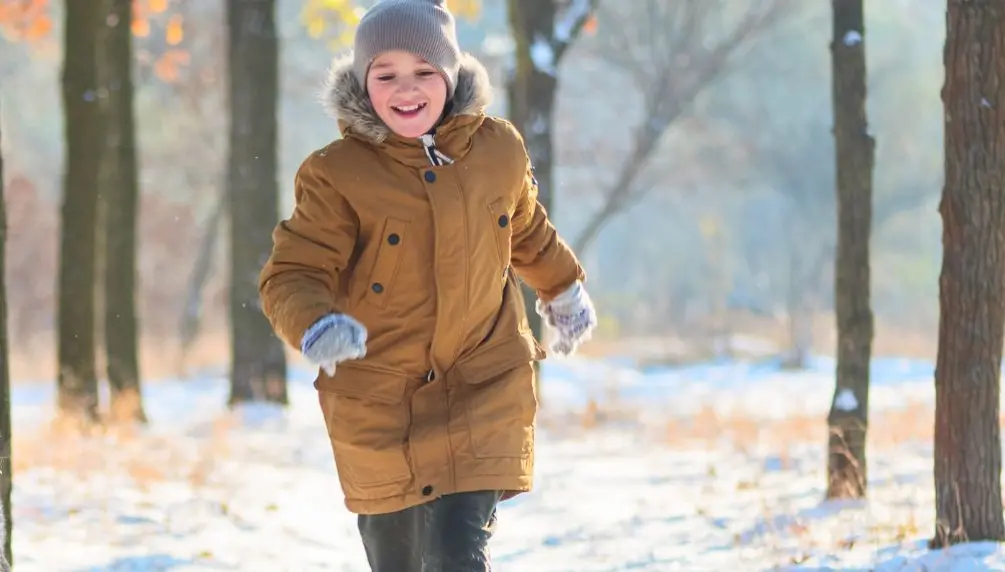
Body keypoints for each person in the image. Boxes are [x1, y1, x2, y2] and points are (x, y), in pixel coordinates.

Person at [258, 0, 597, 569]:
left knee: (456, 554)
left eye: (423, 72)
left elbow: (527, 229)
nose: (405, 89)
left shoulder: (498, 150)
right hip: (380, 401)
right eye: (385, 75)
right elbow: (295, 270)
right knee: (401, 561)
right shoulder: (339, 173)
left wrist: (562, 290)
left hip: (483, 382)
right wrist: (316, 323)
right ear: (364, 85)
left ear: (451, 73)